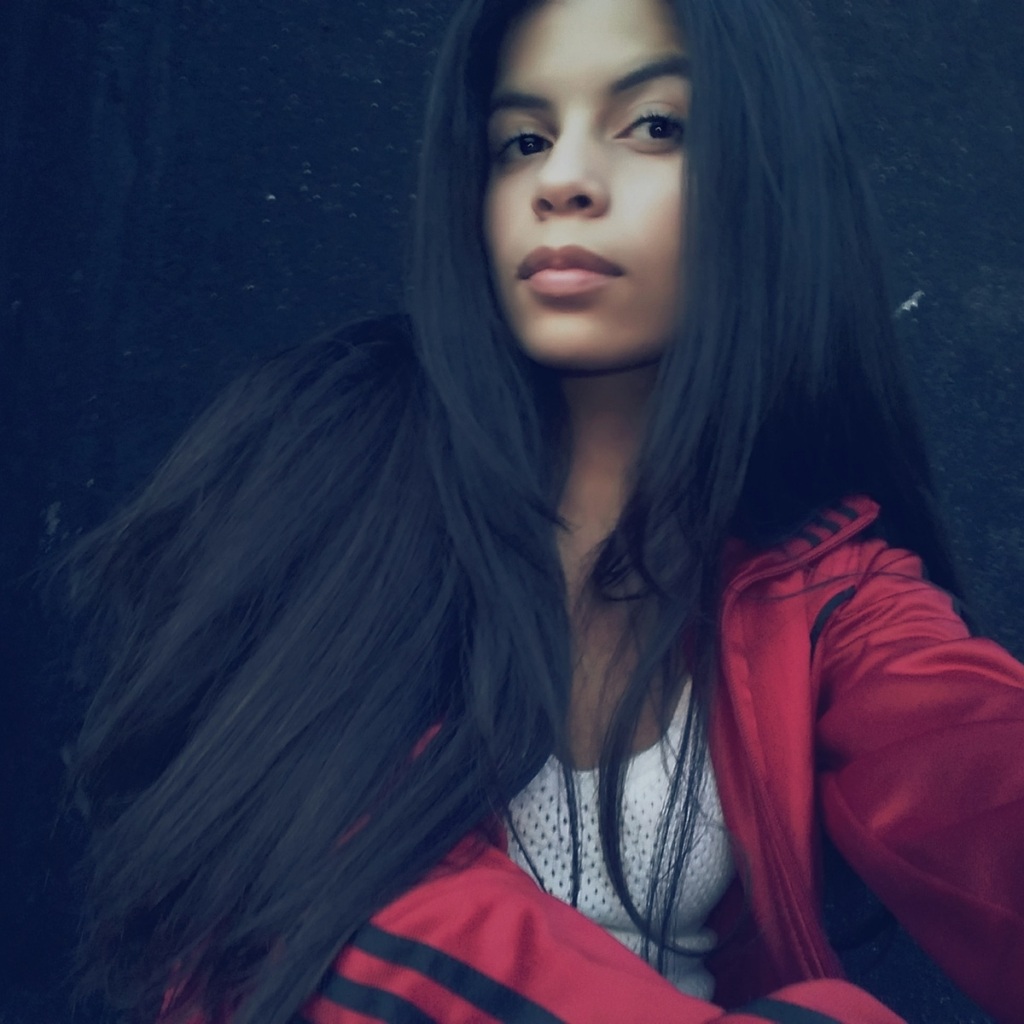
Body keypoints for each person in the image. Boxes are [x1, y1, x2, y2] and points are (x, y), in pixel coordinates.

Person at [61, 0, 1024, 1022]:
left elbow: (976, 775)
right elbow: (312, 896)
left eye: (653, 125)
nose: (561, 179)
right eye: (522, 140)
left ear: (769, 183)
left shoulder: (816, 585)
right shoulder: (328, 461)